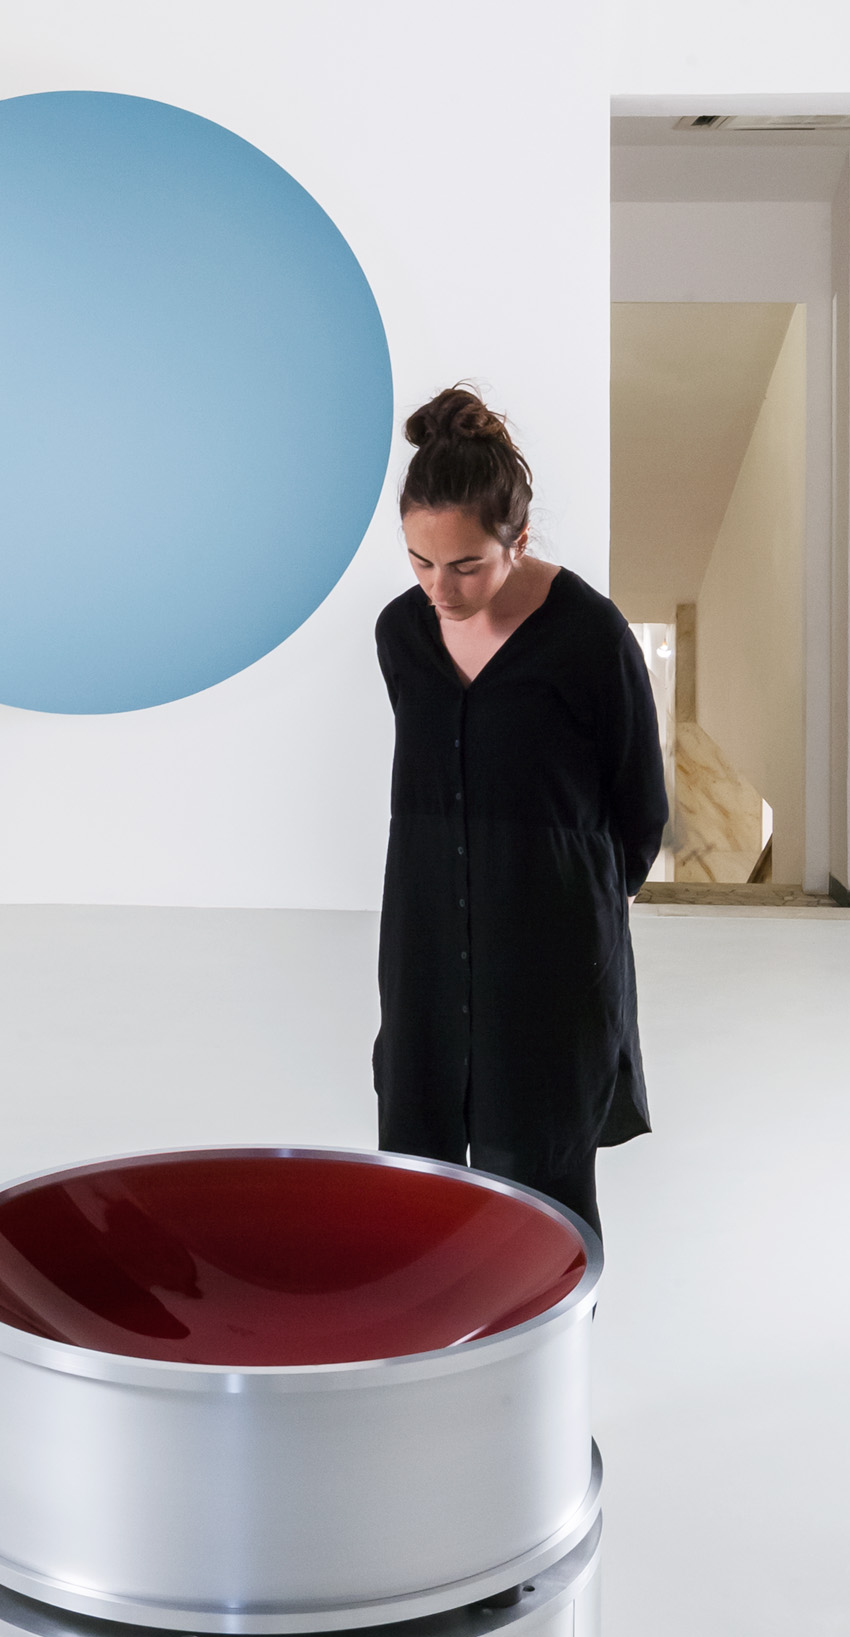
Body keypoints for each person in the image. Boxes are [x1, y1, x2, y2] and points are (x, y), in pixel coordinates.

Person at [372, 385, 668, 1240]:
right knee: (419, 1184)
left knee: (543, 1199)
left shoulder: (589, 636)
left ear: (519, 539)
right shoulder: (400, 635)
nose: (440, 588)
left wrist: (568, 906)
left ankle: (549, 1331)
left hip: (549, 959)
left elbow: (640, 810)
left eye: (466, 565)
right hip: (427, 949)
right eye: (420, 563)